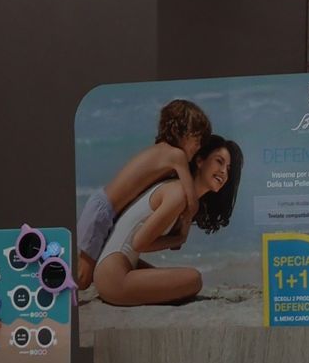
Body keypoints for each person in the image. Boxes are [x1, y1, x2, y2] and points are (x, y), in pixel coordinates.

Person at [90, 134, 244, 309]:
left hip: (120, 267)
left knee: (180, 280)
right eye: (219, 161)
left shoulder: (186, 197)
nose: (224, 172)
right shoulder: (177, 193)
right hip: (114, 277)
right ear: (200, 160)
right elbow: (139, 243)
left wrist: (181, 231)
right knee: (194, 279)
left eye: (228, 168)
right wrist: (179, 238)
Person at [75, 100, 209, 286]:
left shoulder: (161, 152)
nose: (199, 146)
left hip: (105, 207)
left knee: (87, 269)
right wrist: (181, 230)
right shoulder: (176, 156)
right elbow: (192, 200)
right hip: (103, 210)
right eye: (197, 138)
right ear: (178, 131)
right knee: (83, 278)